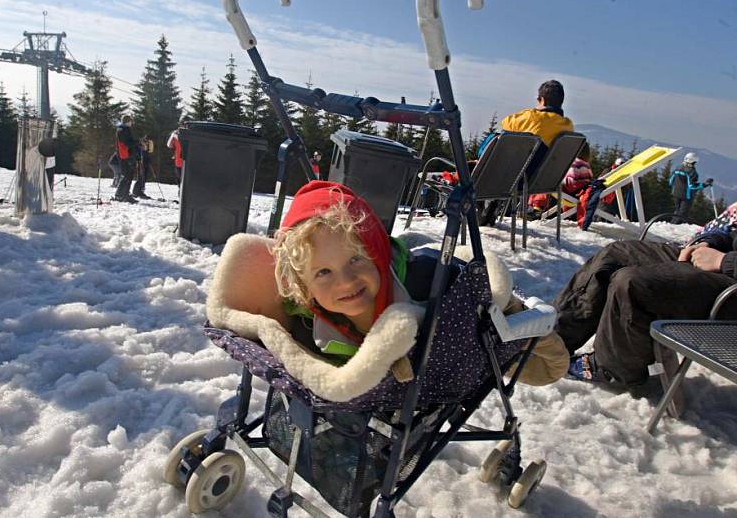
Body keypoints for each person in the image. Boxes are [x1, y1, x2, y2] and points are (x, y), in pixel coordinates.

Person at [271, 180, 568, 386]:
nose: (345, 282)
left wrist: (513, 318)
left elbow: (481, 293)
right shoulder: (309, 327)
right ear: (303, 285)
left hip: (466, 318)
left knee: (501, 312)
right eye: (323, 272)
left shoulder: (429, 278)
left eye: (355, 260)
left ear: (377, 254)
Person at [554, 201, 737, 385]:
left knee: (633, 284)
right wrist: (706, 244)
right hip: (724, 262)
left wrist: (724, 261)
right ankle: (552, 339)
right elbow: (730, 230)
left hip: (731, 287)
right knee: (616, 254)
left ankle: (611, 369)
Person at [500, 79, 575, 218]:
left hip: (518, 179)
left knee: (501, 137)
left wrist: (533, 111)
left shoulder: (532, 117)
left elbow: (505, 123)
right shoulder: (568, 126)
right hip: (545, 182)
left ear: (541, 100)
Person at [669, 151, 713, 223]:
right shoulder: (691, 172)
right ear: (692, 162)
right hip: (686, 196)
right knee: (682, 213)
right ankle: (674, 226)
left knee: (677, 210)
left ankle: (672, 224)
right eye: (694, 162)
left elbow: (671, 181)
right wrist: (705, 184)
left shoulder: (678, 167)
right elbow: (692, 186)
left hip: (675, 193)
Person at [114, 115, 139, 203]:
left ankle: (124, 194)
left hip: (126, 154)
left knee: (129, 175)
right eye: (131, 121)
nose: (132, 123)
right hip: (124, 155)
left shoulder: (123, 129)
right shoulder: (123, 129)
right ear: (127, 121)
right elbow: (127, 143)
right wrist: (138, 142)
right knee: (126, 175)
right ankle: (120, 195)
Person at [131, 135, 154, 200]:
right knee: (141, 177)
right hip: (141, 162)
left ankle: (140, 191)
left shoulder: (149, 143)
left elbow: (150, 151)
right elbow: (139, 152)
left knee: (144, 177)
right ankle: (136, 192)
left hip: (146, 161)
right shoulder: (139, 144)